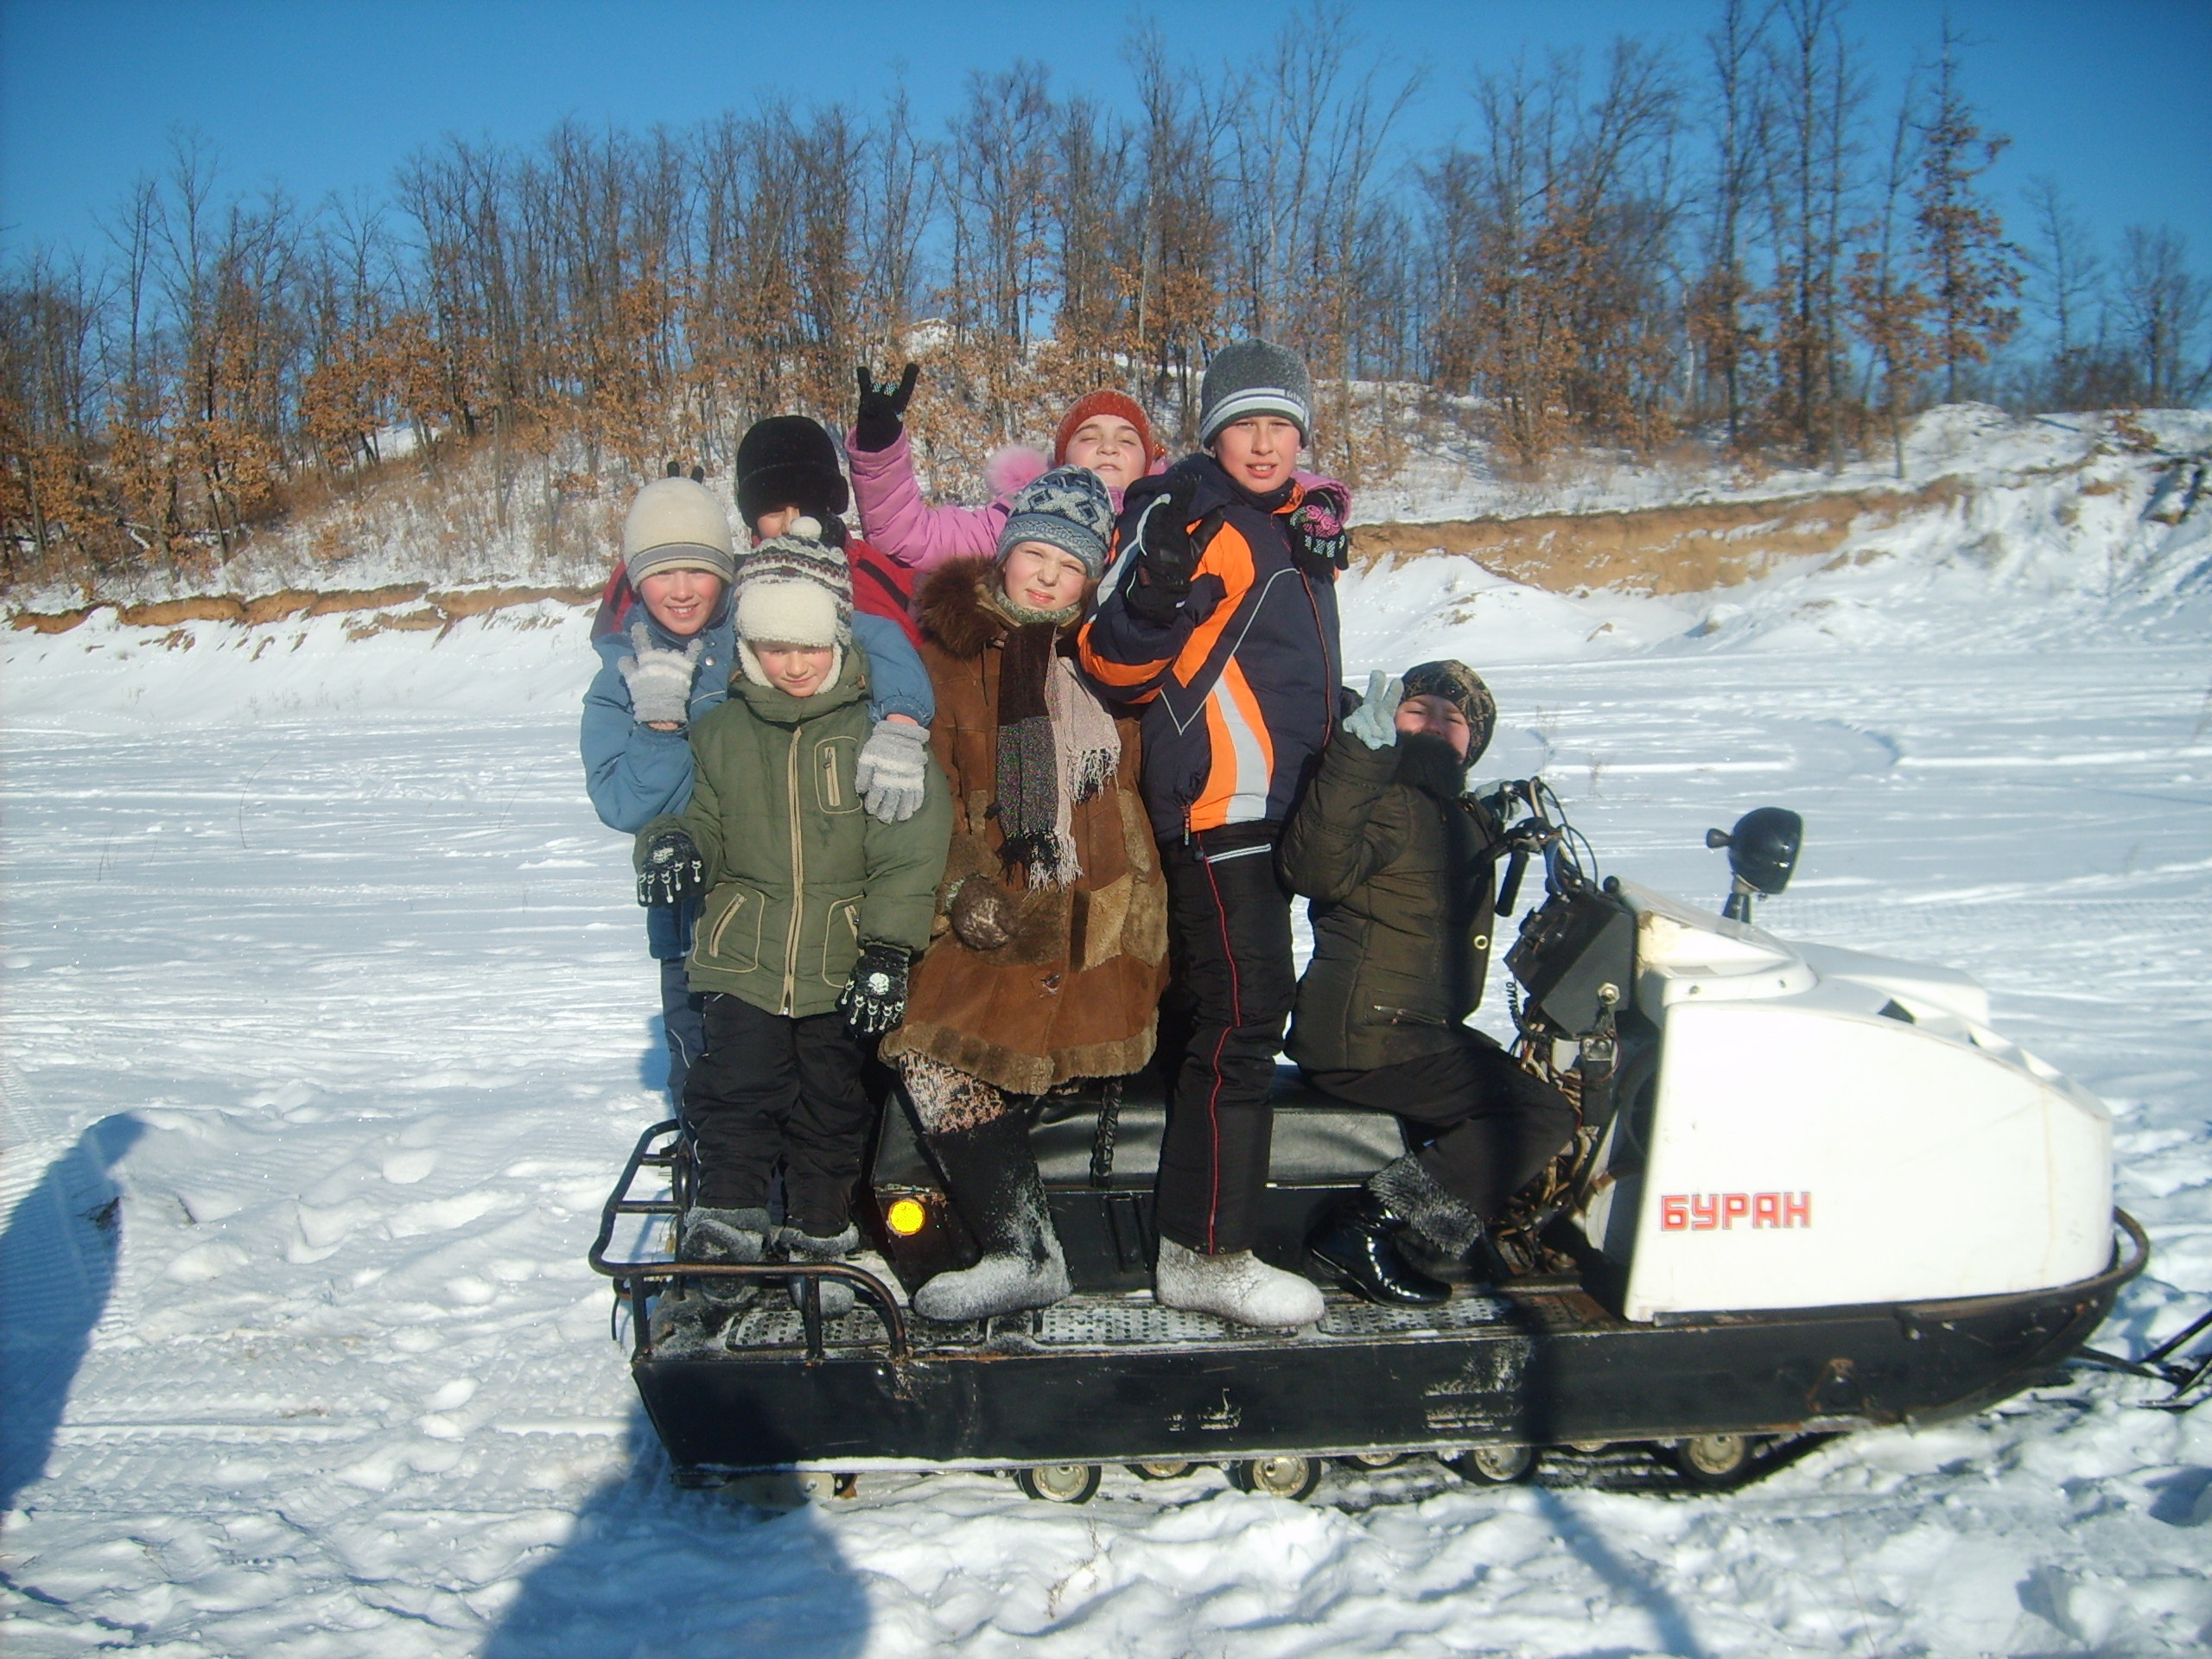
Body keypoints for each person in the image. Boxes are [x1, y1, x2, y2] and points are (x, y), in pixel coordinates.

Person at [1077, 340, 1354, 1330]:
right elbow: (1109, 663)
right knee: (1245, 1022)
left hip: (1273, 804)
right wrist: (1151, 588)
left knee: (1224, 1018)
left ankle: (1191, 1221)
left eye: (1284, 424)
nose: (1267, 441)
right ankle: (1205, 1252)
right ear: (1212, 433)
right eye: (1247, 423)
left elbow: (1262, 662)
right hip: (1217, 805)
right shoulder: (1190, 513)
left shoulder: (1287, 527)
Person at [634, 523, 952, 1315]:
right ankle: (726, 1231)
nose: (796, 663)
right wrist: (672, 843)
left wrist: (887, 947)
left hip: (840, 960)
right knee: (734, 1093)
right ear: (748, 647)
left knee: (832, 1102)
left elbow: (909, 851)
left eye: (811, 645)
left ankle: (820, 1231)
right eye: (777, 646)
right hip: (743, 954)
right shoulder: (721, 734)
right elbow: (698, 816)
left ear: (840, 639)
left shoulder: (876, 739)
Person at [880, 467, 1170, 1321]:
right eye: (1033, 554)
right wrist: (956, 887)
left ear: (1092, 578)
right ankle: (1022, 1250)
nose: (1045, 575)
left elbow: (1139, 788)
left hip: (1098, 920)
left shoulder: (1109, 660)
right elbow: (927, 790)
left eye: (1068, 565)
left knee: (1076, 1063)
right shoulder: (946, 656)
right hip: (991, 914)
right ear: (1003, 554)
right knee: (929, 1050)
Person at [582, 468, 936, 1109]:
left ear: (728, 569)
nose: (683, 591)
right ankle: (717, 1195)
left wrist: (903, 720)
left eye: (699, 570)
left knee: (822, 1087)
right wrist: (661, 726)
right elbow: (626, 806)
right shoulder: (620, 672)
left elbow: (874, 634)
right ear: (636, 578)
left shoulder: (760, 627)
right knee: (712, 1080)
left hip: (802, 906)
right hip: (693, 918)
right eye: (662, 573)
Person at [1281, 662, 1577, 1305]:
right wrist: (1357, 758)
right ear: (1391, 720)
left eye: (1456, 717)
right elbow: (1316, 867)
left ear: (1474, 743)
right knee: (1538, 1113)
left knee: (1520, 1082)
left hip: (1404, 1027)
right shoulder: (1386, 795)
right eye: (1419, 709)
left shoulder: (1442, 806)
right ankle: (1374, 1227)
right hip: (1366, 1037)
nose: (1437, 722)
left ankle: (1443, 1224)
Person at [846, 364, 1164, 571]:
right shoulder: (1020, 515)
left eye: (1126, 441)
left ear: (1148, 461)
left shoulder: (1176, 520)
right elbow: (910, 537)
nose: (1108, 447)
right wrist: (880, 447)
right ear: (1062, 459)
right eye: (1089, 437)